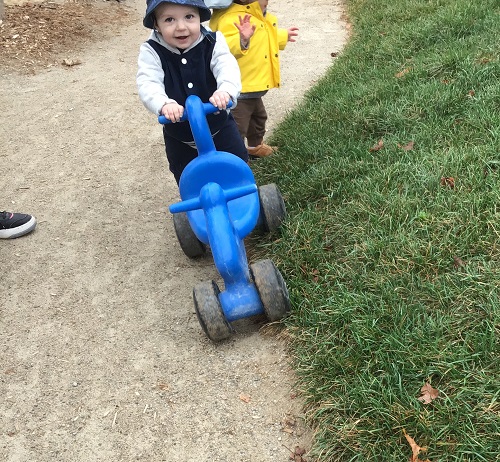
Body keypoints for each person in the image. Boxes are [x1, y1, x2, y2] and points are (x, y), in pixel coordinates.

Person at [137, 0, 249, 185]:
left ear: (199, 16)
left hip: (219, 126)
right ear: (156, 24)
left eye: (189, 17)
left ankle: (244, 193)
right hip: (180, 135)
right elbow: (147, 82)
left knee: (237, 164)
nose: (181, 27)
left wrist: (226, 91)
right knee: (187, 177)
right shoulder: (152, 51)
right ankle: (195, 204)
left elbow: (226, 67)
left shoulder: (213, 42)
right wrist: (164, 104)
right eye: (169, 20)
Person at [209, 0, 299, 158]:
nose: (267, 3)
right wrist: (242, 40)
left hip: (253, 86)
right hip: (239, 89)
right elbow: (221, 48)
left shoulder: (253, 15)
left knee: (258, 119)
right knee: (237, 127)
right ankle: (232, 156)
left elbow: (263, 36)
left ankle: (255, 147)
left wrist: (283, 36)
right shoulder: (232, 19)